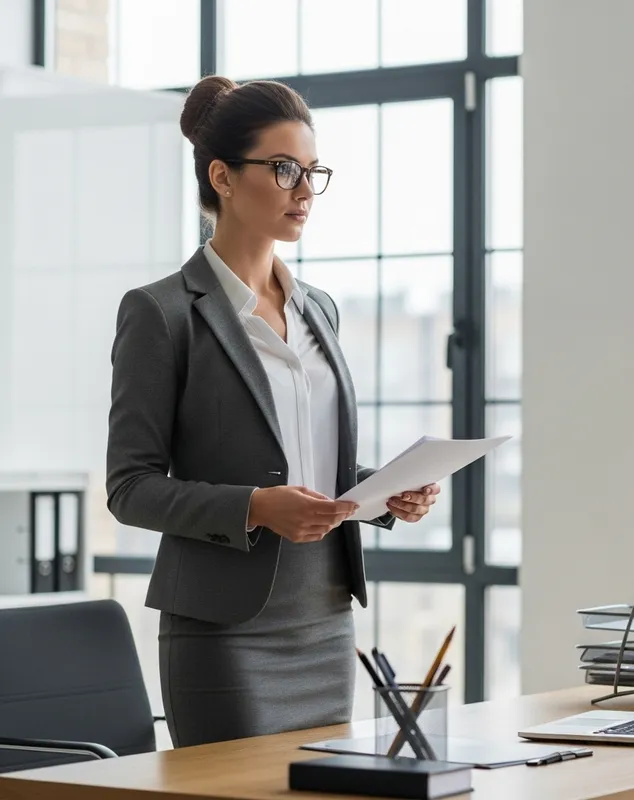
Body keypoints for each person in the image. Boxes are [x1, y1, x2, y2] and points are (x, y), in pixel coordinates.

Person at [105, 75, 440, 749]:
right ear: (222, 177)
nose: (304, 190)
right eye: (285, 169)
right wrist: (255, 507)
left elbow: (308, 466)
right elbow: (129, 488)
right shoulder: (162, 314)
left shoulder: (320, 309)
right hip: (223, 631)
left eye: (313, 171)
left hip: (325, 616)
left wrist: (383, 493)